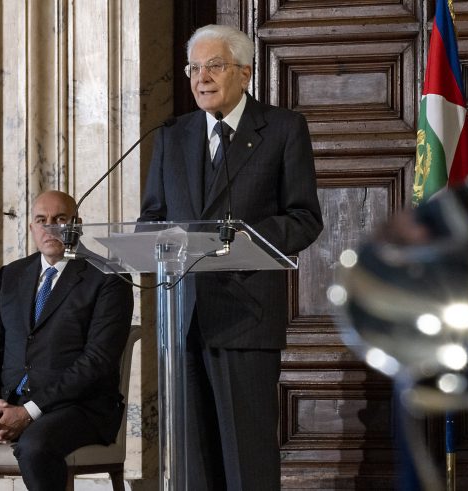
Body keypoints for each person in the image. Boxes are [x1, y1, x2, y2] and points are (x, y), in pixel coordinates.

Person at [139, 24, 323, 490]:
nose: (201, 78)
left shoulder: (282, 129)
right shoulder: (173, 134)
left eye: (214, 66)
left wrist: (242, 238)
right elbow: (151, 219)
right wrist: (157, 240)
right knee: (193, 464)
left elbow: (304, 219)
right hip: (182, 321)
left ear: (244, 72)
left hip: (246, 319)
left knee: (247, 461)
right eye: (194, 68)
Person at [0, 190, 134, 491]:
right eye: (42, 220)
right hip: (7, 400)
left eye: (60, 219)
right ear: (31, 227)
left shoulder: (108, 277)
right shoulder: (11, 276)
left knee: (34, 447)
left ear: (77, 225)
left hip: (77, 407)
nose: (50, 228)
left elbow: (97, 362)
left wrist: (29, 411)